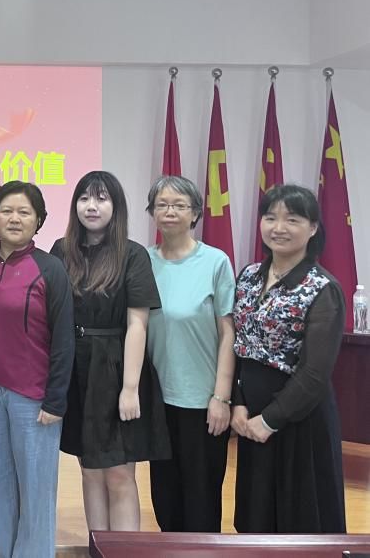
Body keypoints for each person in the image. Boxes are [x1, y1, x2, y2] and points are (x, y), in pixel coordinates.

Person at [50, 170, 168, 532]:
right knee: (89, 470)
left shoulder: (132, 255)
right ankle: (97, 549)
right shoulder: (61, 250)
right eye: (84, 198)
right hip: (76, 368)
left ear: (116, 207)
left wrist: (130, 388)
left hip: (116, 368)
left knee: (118, 473)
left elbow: (138, 325)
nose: (92, 206)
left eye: (101, 198)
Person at [231, 183, 347, 533]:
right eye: (270, 217)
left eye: (292, 219)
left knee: (300, 520)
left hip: (298, 420)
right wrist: (239, 403)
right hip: (250, 417)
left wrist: (269, 421)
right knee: (257, 517)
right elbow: (240, 345)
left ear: (313, 228)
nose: (278, 227)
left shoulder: (322, 288)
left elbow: (314, 373)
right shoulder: (249, 276)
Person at [0, 181, 74, 558]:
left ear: (39, 220)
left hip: (35, 396)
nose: (15, 218)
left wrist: (56, 399)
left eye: (24, 212)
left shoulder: (50, 268)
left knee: (36, 488)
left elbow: (64, 339)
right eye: (7, 211)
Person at [144, 175, 234, 532]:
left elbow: (228, 333)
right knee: (164, 497)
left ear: (195, 213)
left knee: (201, 498)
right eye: (162, 205)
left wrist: (221, 398)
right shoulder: (142, 261)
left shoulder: (215, 262)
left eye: (179, 205)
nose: (170, 212)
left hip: (202, 401)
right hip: (157, 401)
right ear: (152, 212)